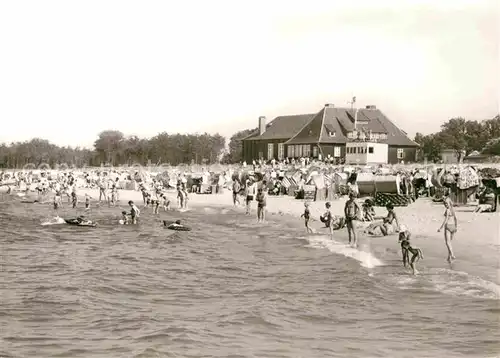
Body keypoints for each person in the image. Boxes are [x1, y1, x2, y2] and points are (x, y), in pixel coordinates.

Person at [438, 196, 457, 262]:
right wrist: (456, 227)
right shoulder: (453, 210)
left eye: (446, 203)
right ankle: (449, 258)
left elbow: (446, 220)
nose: (445, 205)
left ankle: (452, 254)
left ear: (449, 203)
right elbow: (455, 219)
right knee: (450, 243)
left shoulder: (447, 210)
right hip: (453, 226)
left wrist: (440, 228)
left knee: (448, 243)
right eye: (444, 203)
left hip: (448, 226)